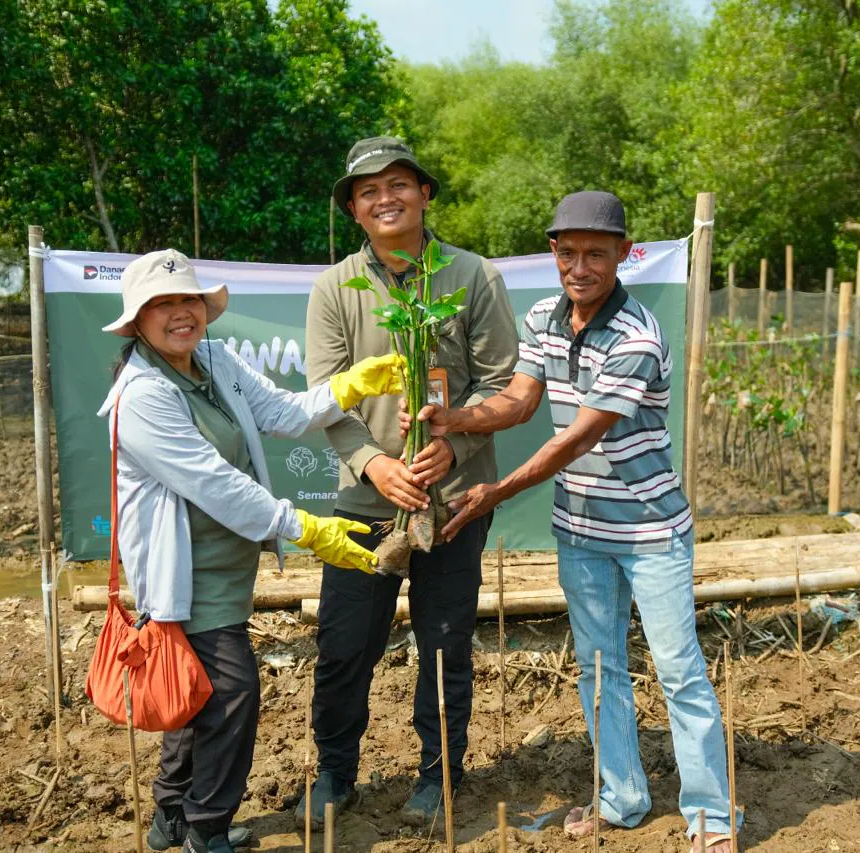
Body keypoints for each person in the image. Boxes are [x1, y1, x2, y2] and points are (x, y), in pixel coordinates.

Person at [401, 192, 739, 850]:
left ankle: (711, 817)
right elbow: (521, 401)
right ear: (553, 252)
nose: (578, 265)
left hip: (650, 531)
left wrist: (495, 490)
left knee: (678, 669)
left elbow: (574, 440)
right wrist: (457, 419)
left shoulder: (637, 336)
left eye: (595, 252)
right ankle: (622, 796)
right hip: (582, 529)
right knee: (599, 665)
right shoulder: (544, 317)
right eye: (567, 251)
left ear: (623, 253)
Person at [97, 248, 405, 853]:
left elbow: (284, 412)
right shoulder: (142, 396)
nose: (180, 313)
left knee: (195, 688)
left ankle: (171, 818)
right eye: (162, 305)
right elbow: (215, 484)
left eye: (188, 300)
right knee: (233, 692)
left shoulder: (213, 359)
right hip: (186, 574)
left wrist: (348, 386)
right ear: (137, 321)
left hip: (225, 567)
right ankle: (207, 829)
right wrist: (308, 529)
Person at [299, 136, 518, 827]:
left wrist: (454, 441)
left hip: (452, 502)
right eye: (368, 192)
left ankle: (438, 776)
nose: (385, 199)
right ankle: (335, 772)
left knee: (446, 643)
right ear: (354, 212)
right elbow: (324, 395)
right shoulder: (338, 287)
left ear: (425, 194)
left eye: (399, 184)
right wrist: (376, 463)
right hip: (367, 502)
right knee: (342, 645)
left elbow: (503, 382)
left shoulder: (471, 276)